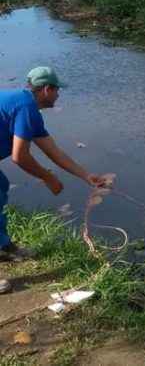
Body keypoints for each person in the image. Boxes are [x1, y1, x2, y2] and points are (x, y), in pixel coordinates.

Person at [0, 66, 105, 294]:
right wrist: (48, 178)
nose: (58, 95)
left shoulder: (27, 107)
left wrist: (86, 176)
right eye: (57, 90)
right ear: (46, 89)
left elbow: (53, 151)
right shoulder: (25, 107)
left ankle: (3, 246)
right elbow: (20, 156)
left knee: (1, 188)